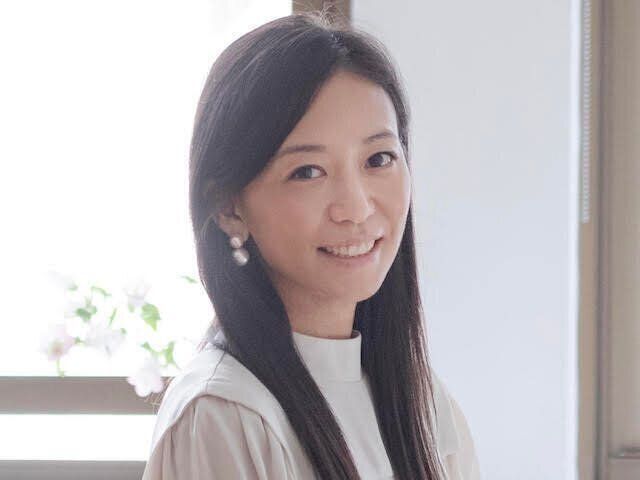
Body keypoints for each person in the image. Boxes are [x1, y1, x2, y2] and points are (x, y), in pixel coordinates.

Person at [142, 11, 481, 480]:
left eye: (378, 159)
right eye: (307, 172)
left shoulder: (423, 403)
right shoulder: (225, 414)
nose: (356, 207)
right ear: (228, 206)